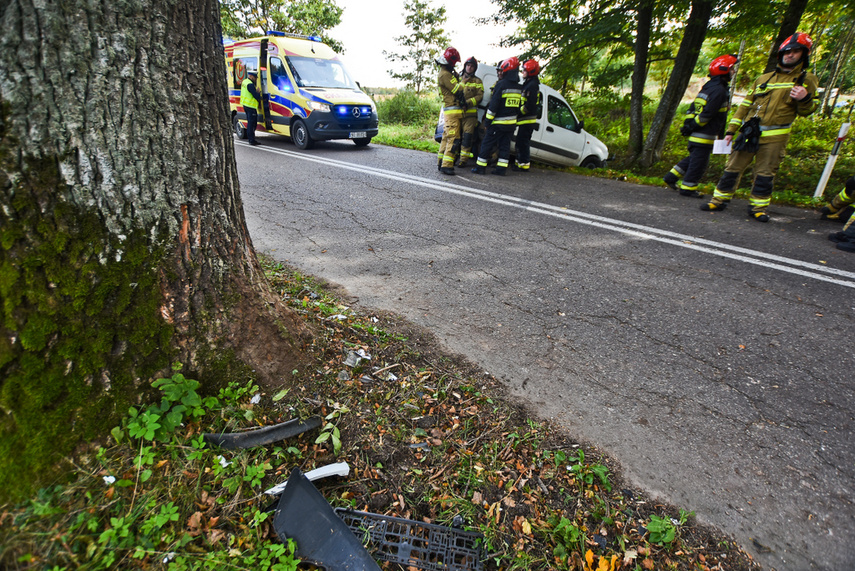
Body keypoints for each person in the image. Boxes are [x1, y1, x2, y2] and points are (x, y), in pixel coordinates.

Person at [701, 33, 818, 222]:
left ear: (803, 55)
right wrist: (731, 131)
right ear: (781, 54)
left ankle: (758, 208)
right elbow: (744, 107)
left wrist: (805, 98)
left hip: (775, 136)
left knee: (764, 174)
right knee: (732, 167)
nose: (791, 55)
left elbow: (808, 110)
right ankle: (719, 200)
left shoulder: (807, 79)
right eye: (788, 51)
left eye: (796, 52)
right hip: (749, 133)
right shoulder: (763, 79)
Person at [664, 54, 737, 197]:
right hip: (704, 134)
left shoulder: (708, 88)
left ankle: (671, 177)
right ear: (724, 70)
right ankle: (688, 188)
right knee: (699, 164)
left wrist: (688, 126)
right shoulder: (719, 91)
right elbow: (707, 114)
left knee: (693, 159)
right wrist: (692, 127)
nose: (733, 72)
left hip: (697, 133)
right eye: (732, 69)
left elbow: (693, 108)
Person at [472, 57, 522, 176]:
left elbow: (494, 106)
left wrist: (488, 122)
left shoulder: (501, 85)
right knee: (505, 146)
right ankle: (501, 169)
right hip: (511, 125)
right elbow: (518, 107)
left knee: (486, 144)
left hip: (498, 124)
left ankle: (480, 167)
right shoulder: (519, 88)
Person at [436, 47, 462, 175]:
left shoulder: (444, 73)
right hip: (452, 112)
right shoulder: (446, 74)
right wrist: (463, 81)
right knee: (453, 138)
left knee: (446, 137)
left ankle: (441, 162)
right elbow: (458, 90)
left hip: (450, 112)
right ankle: (447, 165)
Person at [457, 57, 484, 168]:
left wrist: (467, 103)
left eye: (472, 66)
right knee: (455, 137)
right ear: (465, 66)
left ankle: (463, 160)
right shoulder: (458, 78)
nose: (469, 67)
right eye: (468, 65)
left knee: (467, 138)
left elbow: (479, 96)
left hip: (470, 116)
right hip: (457, 113)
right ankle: (452, 157)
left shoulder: (478, 81)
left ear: (475, 68)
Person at [240, 69, 262, 146]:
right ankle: (251, 140)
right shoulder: (250, 84)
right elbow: (255, 96)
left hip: (246, 105)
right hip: (250, 106)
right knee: (252, 123)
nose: (256, 79)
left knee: (251, 122)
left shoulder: (244, 82)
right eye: (255, 77)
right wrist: (258, 93)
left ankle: (251, 139)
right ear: (251, 76)